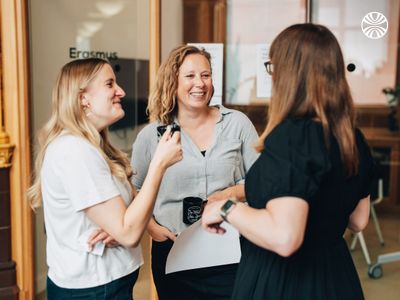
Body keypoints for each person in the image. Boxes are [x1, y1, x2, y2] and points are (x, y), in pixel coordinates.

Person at [202, 23, 375, 300]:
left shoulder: (293, 137)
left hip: (285, 281)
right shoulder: (352, 139)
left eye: (273, 66)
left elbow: (285, 238)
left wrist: (226, 208)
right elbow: (358, 220)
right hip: (335, 277)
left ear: (289, 74)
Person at [27, 58, 182, 300]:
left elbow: (125, 208)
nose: (121, 91)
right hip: (94, 290)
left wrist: (120, 226)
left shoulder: (94, 146)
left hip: (108, 285)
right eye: (110, 84)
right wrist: (159, 164)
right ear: (83, 98)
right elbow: (129, 233)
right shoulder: (76, 151)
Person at [131, 45, 259, 300]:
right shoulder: (153, 135)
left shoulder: (237, 123)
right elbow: (133, 188)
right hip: (174, 253)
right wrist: (150, 226)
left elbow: (263, 183)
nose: (199, 83)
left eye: (206, 75)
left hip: (230, 253)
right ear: (173, 81)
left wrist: (230, 193)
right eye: (190, 76)